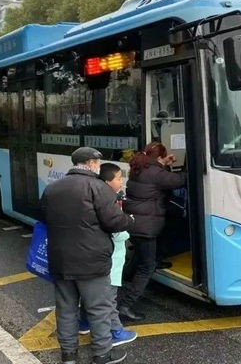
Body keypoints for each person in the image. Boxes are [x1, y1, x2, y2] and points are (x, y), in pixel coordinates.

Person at [40, 147, 135, 364]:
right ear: (91, 163)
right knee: (98, 309)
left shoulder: (52, 188)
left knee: (66, 309)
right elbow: (113, 221)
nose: (99, 167)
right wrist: (129, 220)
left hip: (61, 260)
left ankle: (68, 355)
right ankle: (102, 355)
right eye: (98, 163)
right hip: (92, 262)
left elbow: (43, 216)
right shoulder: (98, 187)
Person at [119, 142, 186, 321]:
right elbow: (179, 180)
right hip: (145, 227)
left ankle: (131, 274)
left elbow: (161, 179)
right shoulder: (156, 172)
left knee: (144, 254)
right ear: (159, 157)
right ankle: (125, 305)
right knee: (146, 268)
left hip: (134, 222)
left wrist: (164, 164)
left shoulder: (140, 167)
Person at [78, 163, 137, 348]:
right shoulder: (107, 203)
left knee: (92, 294)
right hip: (109, 260)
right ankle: (115, 332)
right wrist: (128, 223)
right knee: (107, 299)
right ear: (107, 182)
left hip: (93, 258)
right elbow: (117, 232)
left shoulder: (91, 198)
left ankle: (84, 323)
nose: (122, 182)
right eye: (119, 178)